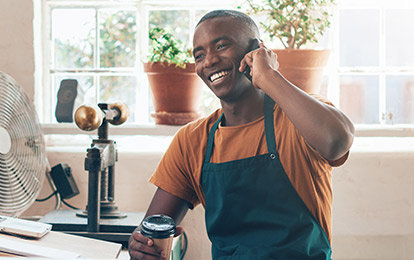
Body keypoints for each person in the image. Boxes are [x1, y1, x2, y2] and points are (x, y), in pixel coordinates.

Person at [128, 10, 354, 260]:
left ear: (257, 51)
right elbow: (152, 229)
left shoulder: (298, 118)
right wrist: (141, 245)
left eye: (222, 45)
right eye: (199, 55)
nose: (209, 61)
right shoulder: (192, 140)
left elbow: (336, 142)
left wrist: (268, 75)